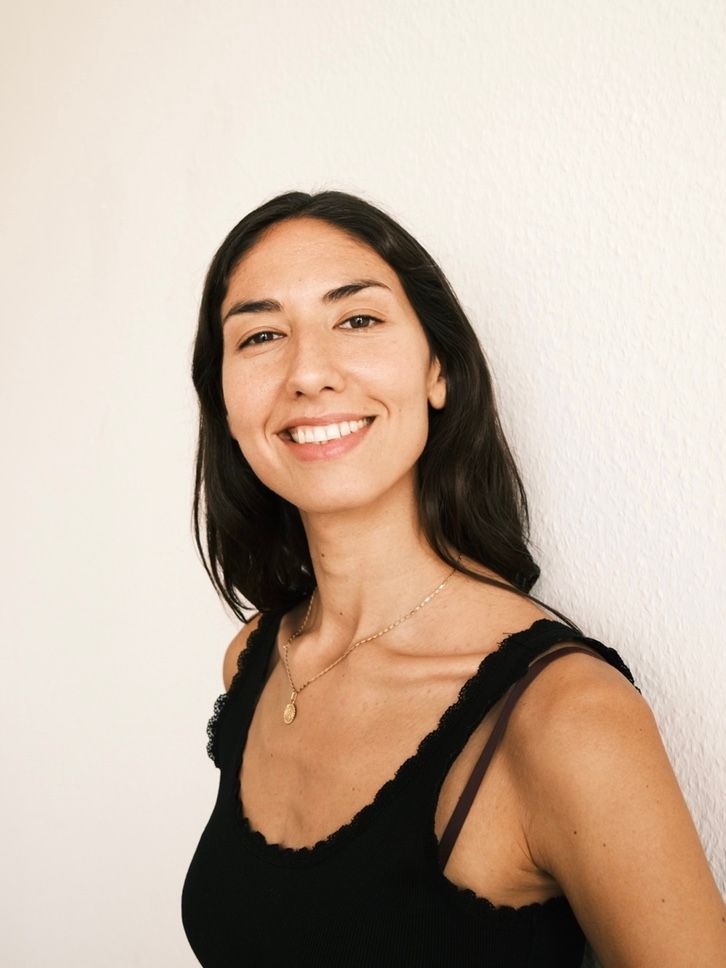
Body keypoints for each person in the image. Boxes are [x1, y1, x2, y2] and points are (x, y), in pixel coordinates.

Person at [181, 190, 725, 967]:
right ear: (224, 399)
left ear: (438, 369)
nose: (309, 373)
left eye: (357, 319)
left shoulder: (562, 715)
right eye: (261, 335)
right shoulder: (255, 660)